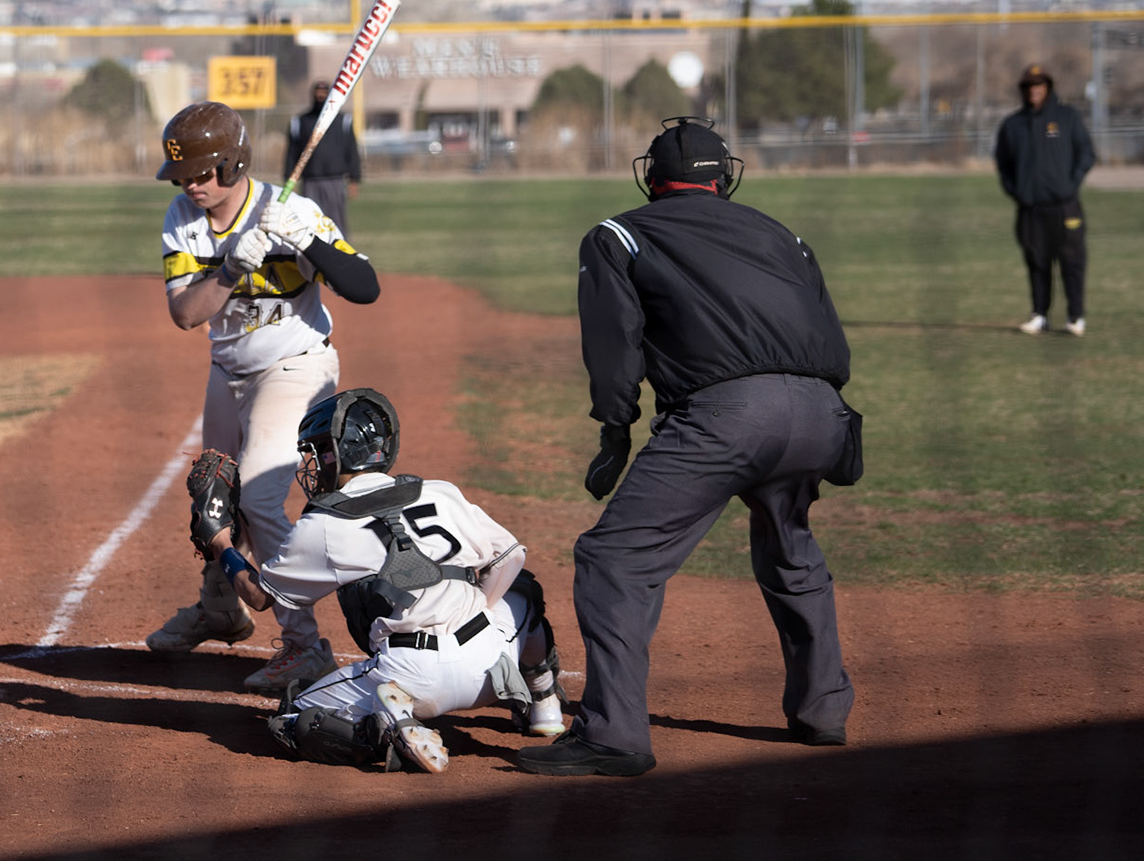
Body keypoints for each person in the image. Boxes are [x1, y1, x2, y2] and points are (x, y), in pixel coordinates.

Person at [517, 117, 860, 778]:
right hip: (823, 411)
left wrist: (614, 428)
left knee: (615, 559)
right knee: (790, 548)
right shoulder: (784, 236)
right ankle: (823, 711)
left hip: (727, 417)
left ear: (652, 178)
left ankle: (613, 736)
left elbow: (614, 346)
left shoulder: (619, 234)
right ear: (724, 178)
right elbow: (833, 344)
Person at [194, 388, 565, 773]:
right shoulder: (441, 492)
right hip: (492, 664)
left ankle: (390, 727)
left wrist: (220, 541)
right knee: (524, 590)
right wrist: (480, 610)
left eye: (318, 451)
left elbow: (258, 596)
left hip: (414, 676)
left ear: (337, 453)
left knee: (293, 718)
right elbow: (511, 556)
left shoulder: (324, 525)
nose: (313, 464)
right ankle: (544, 702)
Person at [149, 101, 380, 694]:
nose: (190, 185)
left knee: (256, 494)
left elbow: (365, 287)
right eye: (182, 175)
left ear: (232, 164)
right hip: (227, 370)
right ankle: (221, 607)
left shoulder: (292, 210)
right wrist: (228, 272)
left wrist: (309, 242)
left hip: (295, 366)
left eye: (201, 173)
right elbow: (185, 315)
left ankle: (305, 647)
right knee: (215, 495)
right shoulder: (183, 217)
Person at [994, 64, 1095, 336]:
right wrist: (1016, 191)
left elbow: (1086, 153)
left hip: (1064, 206)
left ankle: (1075, 317)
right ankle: (1040, 315)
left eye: (1039, 85)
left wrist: (1070, 183)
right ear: (1023, 90)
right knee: (1037, 262)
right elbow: (1003, 163)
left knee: (1072, 262)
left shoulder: (1067, 117)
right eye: (1029, 86)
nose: (1034, 90)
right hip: (1030, 209)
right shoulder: (1013, 125)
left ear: (1048, 87)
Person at [282, 82, 363, 239]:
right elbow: (292, 153)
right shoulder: (300, 122)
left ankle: (340, 249)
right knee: (310, 219)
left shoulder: (343, 120)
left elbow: (352, 150)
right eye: (317, 92)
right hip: (311, 180)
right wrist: (289, 178)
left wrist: (354, 179)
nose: (320, 96)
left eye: (324, 92)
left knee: (336, 221)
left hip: (335, 180)